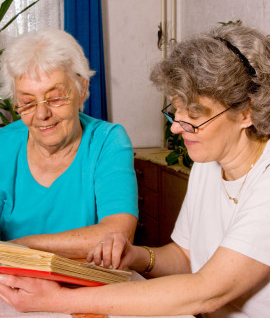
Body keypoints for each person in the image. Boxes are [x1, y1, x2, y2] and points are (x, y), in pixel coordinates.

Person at [0, 23, 269, 317]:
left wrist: (53, 301)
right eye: (176, 110)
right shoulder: (209, 160)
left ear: (246, 112)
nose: (177, 127)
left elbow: (207, 291)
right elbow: (185, 257)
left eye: (193, 116)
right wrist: (137, 256)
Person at [0, 27, 138, 259]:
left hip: (86, 285)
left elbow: (117, 234)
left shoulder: (108, 141)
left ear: (81, 89)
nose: (42, 114)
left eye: (54, 98)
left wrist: (20, 246)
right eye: (27, 102)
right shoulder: (5, 143)